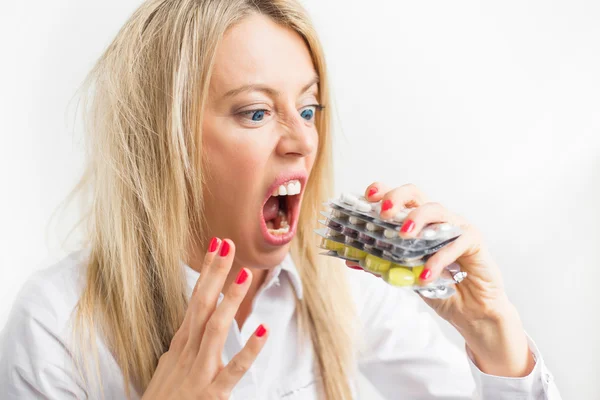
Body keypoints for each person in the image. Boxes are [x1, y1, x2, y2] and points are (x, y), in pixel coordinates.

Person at [0, 0, 562, 399]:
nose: (301, 142)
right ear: (164, 142)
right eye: (256, 112)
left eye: (309, 108)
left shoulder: (341, 284)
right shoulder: (58, 324)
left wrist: (494, 333)